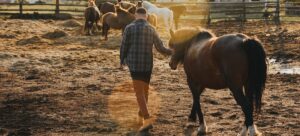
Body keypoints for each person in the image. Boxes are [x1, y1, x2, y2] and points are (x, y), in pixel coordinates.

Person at [120, 7, 172, 132]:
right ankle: (140, 114)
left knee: (139, 92)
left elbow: (124, 46)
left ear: (136, 16)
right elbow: (160, 47)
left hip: (134, 64)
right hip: (147, 64)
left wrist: (121, 60)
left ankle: (147, 119)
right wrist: (173, 52)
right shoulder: (151, 28)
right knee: (145, 90)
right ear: (146, 16)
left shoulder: (129, 28)